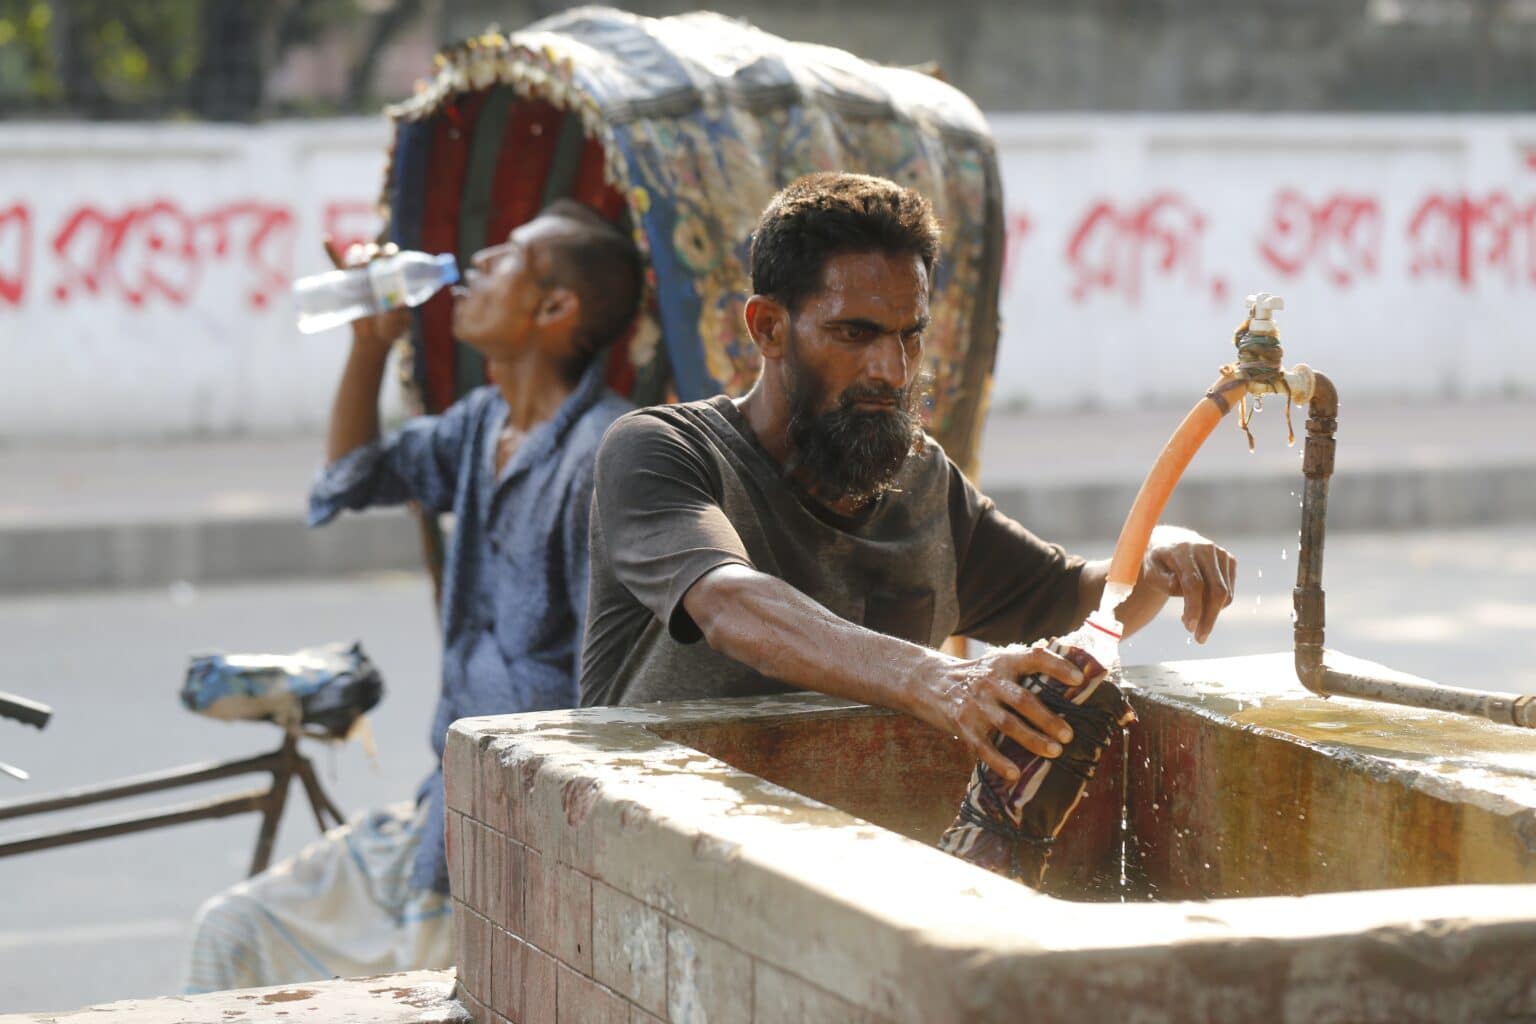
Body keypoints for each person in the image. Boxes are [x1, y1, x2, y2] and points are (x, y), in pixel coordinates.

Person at [581, 172, 1236, 786]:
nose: (892, 370)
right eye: (855, 333)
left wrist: (1155, 560)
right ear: (769, 328)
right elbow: (728, 605)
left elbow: (1075, 600)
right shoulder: (661, 451)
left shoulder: (923, 482)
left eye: (909, 336)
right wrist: (935, 679)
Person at [186, 200, 642, 992]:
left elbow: (611, 693)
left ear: (554, 308)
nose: (473, 265)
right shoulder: (479, 427)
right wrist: (369, 348)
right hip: (442, 809)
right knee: (232, 931)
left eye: (504, 257)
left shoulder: (606, 455)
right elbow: (353, 478)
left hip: (519, 838)